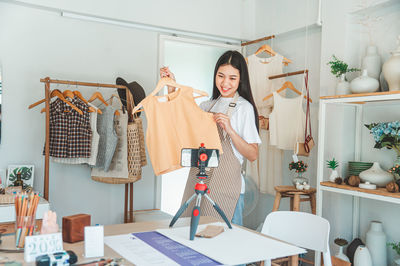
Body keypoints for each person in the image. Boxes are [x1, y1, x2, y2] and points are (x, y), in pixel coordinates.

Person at [160, 50, 261, 226]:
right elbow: (181, 124)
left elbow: (252, 154)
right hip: (198, 182)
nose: (225, 83)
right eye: (221, 76)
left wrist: (229, 129)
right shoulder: (207, 105)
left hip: (226, 190)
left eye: (232, 78)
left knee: (223, 244)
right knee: (193, 238)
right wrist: (172, 86)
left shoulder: (243, 108)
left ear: (240, 80)